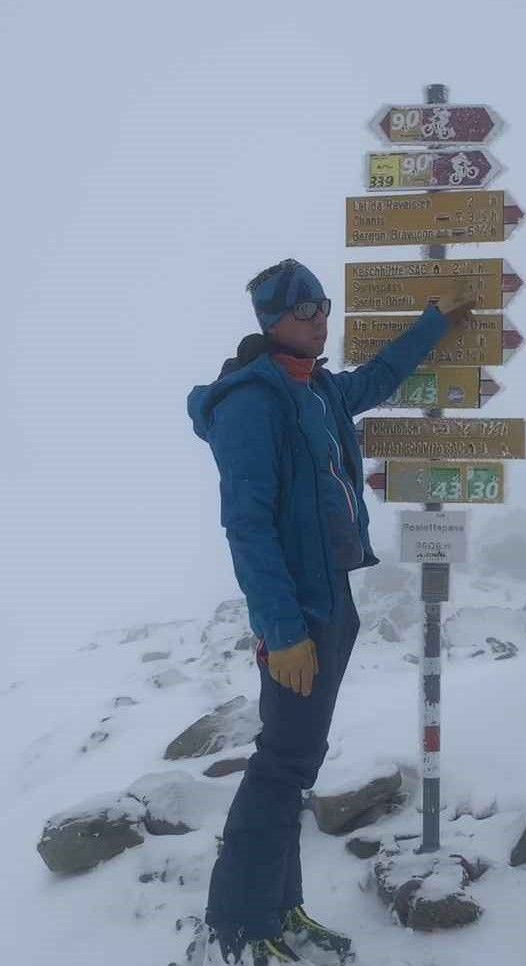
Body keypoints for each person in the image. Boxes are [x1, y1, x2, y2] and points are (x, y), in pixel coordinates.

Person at [186, 259, 472, 965]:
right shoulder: (252, 402)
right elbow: (246, 525)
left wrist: (434, 323)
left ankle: (279, 909)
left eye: (323, 303)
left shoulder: (314, 390)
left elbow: (376, 378)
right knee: (281, 764)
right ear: (271, 318)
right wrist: (283, 633)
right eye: (306, 307)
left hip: (331, 595)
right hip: (296, 609)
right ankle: (242, 924)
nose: (322, 316)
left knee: (294, 762)